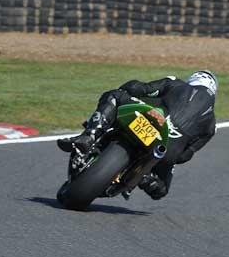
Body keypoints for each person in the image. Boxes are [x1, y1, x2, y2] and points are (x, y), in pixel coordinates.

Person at [57, 71, 218, 200]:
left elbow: (138, 87)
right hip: (167, 149)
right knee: (161, 190)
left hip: (151, 121)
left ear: (193, 79)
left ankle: (90, 135)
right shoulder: (211, 125)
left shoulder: (176, 83)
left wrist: (126, 91)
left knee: (115, 95)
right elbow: (185, 156)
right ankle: (146, 178)